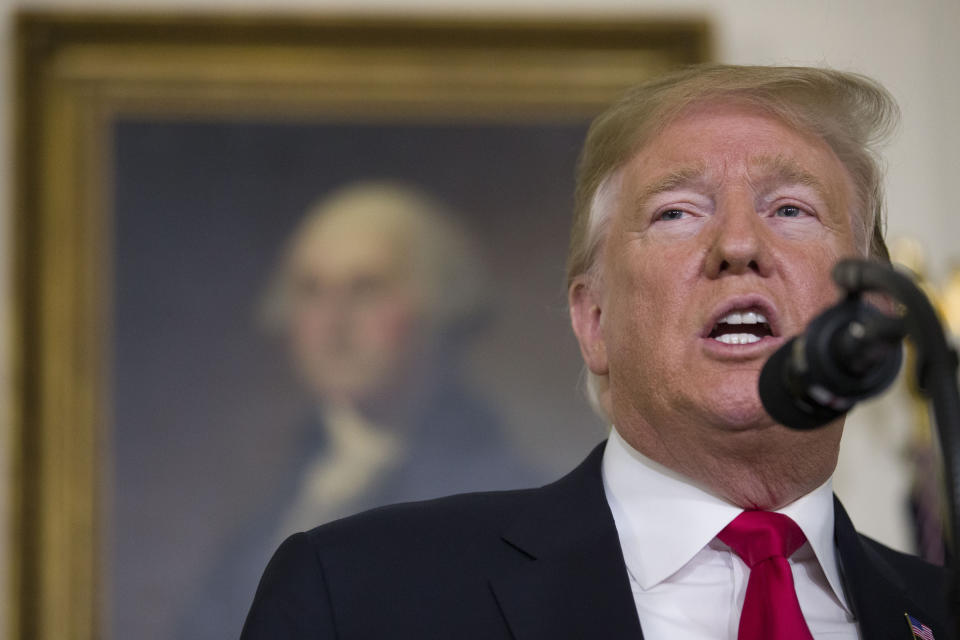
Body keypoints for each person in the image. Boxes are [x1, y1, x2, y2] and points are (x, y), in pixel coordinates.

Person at [240, 66, 954, 639]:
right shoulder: (357, 594)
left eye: (790, 209)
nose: (738, 246)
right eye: (678, 212)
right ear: (593, 320)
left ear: (876, 313)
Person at [182, 182, 541, 639]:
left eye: (366, 288)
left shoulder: (507, 492)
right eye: (311, 291)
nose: (333, 322)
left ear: (436, 306)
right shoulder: (278, 492)